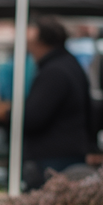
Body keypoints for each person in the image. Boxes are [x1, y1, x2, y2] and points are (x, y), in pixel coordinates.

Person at [21, 16, 90, 188]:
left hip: (54, 158)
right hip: (67, 153)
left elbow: (33, 117)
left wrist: (7, 115)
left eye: (31, 41)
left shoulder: (54, 71)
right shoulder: (69, 64)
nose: (28, 47)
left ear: (42, 42)